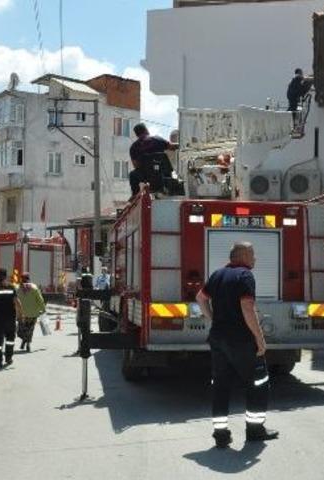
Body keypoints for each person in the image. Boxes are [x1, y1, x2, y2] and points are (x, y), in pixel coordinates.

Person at [195, 241, 278, 448]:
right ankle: (255, 431)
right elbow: (247, 307)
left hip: (218, 338)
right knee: (258, 384)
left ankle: (221, 434)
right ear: (242, 256)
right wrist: (259, 338)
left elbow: (200, 298)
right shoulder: (245, 275)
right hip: (241, 340)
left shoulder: (218, 274)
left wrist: (213, 318)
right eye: (252, 254)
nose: (255, 258)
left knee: (221, 385)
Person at [128, 123, 179, 196]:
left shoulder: (134, 147)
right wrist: (182, 144)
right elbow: (172, 147)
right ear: (146, 130)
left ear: (136, 134)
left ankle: (135, 195)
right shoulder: (157, 139)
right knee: (167, 170)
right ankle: (170, 187)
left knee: (132, 175)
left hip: (146, 176)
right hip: (163, 172)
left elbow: (136, 165)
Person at [16, 273, 46, 352]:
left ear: (21, 279)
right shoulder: (34, 288)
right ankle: (28, 343)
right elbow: (40, 299)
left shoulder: (17, 288)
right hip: (33, 313)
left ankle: (24, 340)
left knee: (21, 330)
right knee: (30, 329)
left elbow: (14, 301)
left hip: (21, 314)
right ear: (29, 278)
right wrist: (43, 309)